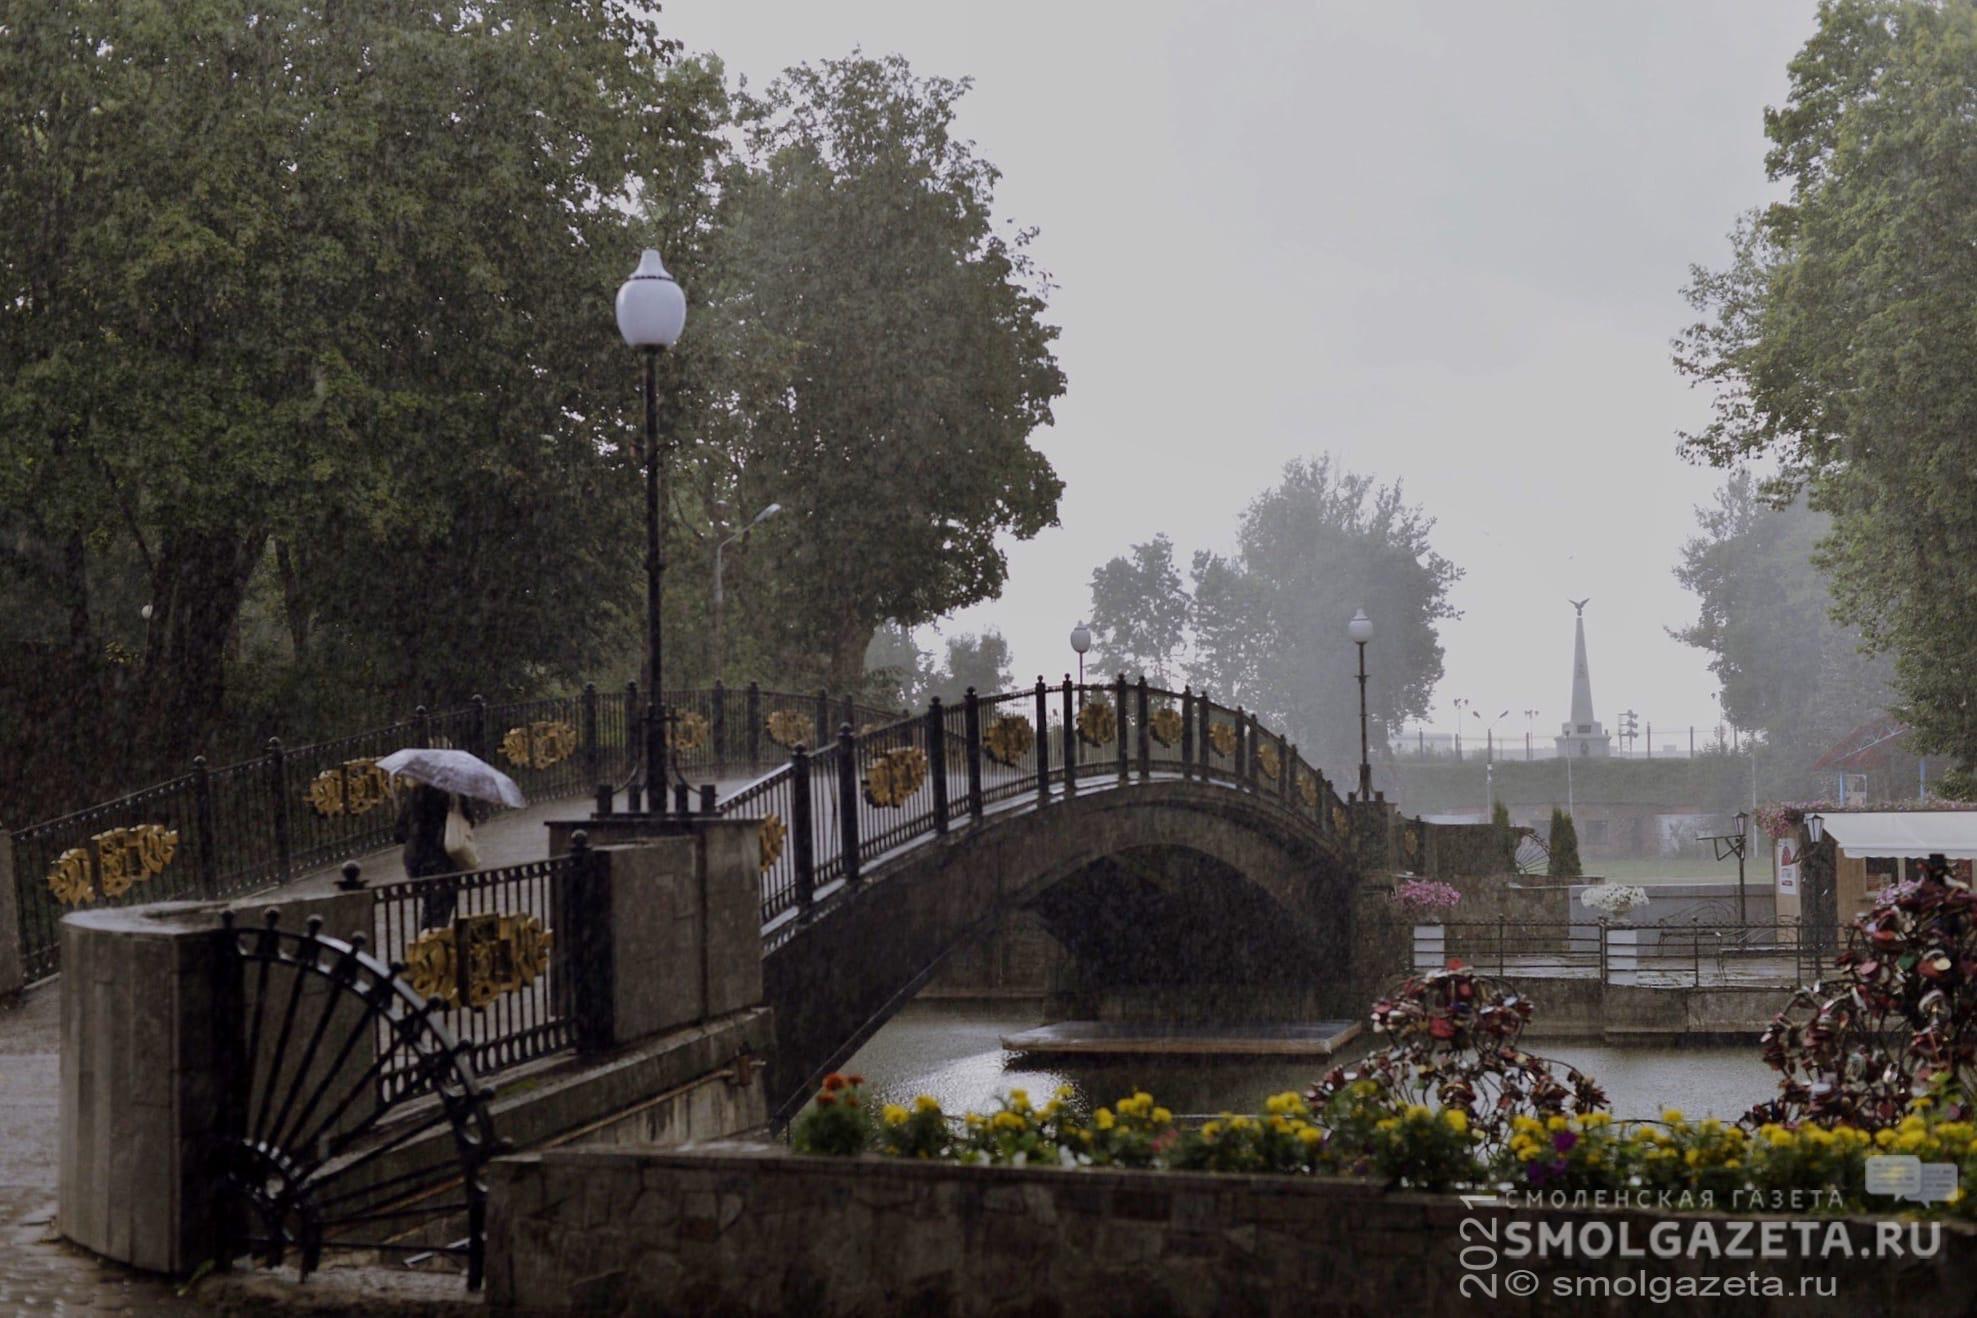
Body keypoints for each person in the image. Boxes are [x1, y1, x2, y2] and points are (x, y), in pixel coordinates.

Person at [394, 781, 479, 928]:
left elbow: (399, 833)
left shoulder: (414, 794)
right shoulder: (453, 793)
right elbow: (469, 819)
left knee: (429, 907)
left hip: (417, 860)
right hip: (443, 859)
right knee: (441, 908)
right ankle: (434, 944)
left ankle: (426, 940)